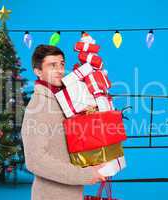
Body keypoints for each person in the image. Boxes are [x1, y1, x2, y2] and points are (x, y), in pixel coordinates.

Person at [21, 45, 106, 200]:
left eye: (61, 64)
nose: (60, 70)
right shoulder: (38, 108)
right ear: (38, 71)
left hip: (72, 193)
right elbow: (35, 161)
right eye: (52, 65)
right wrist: (84, 175)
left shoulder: (64, 100)